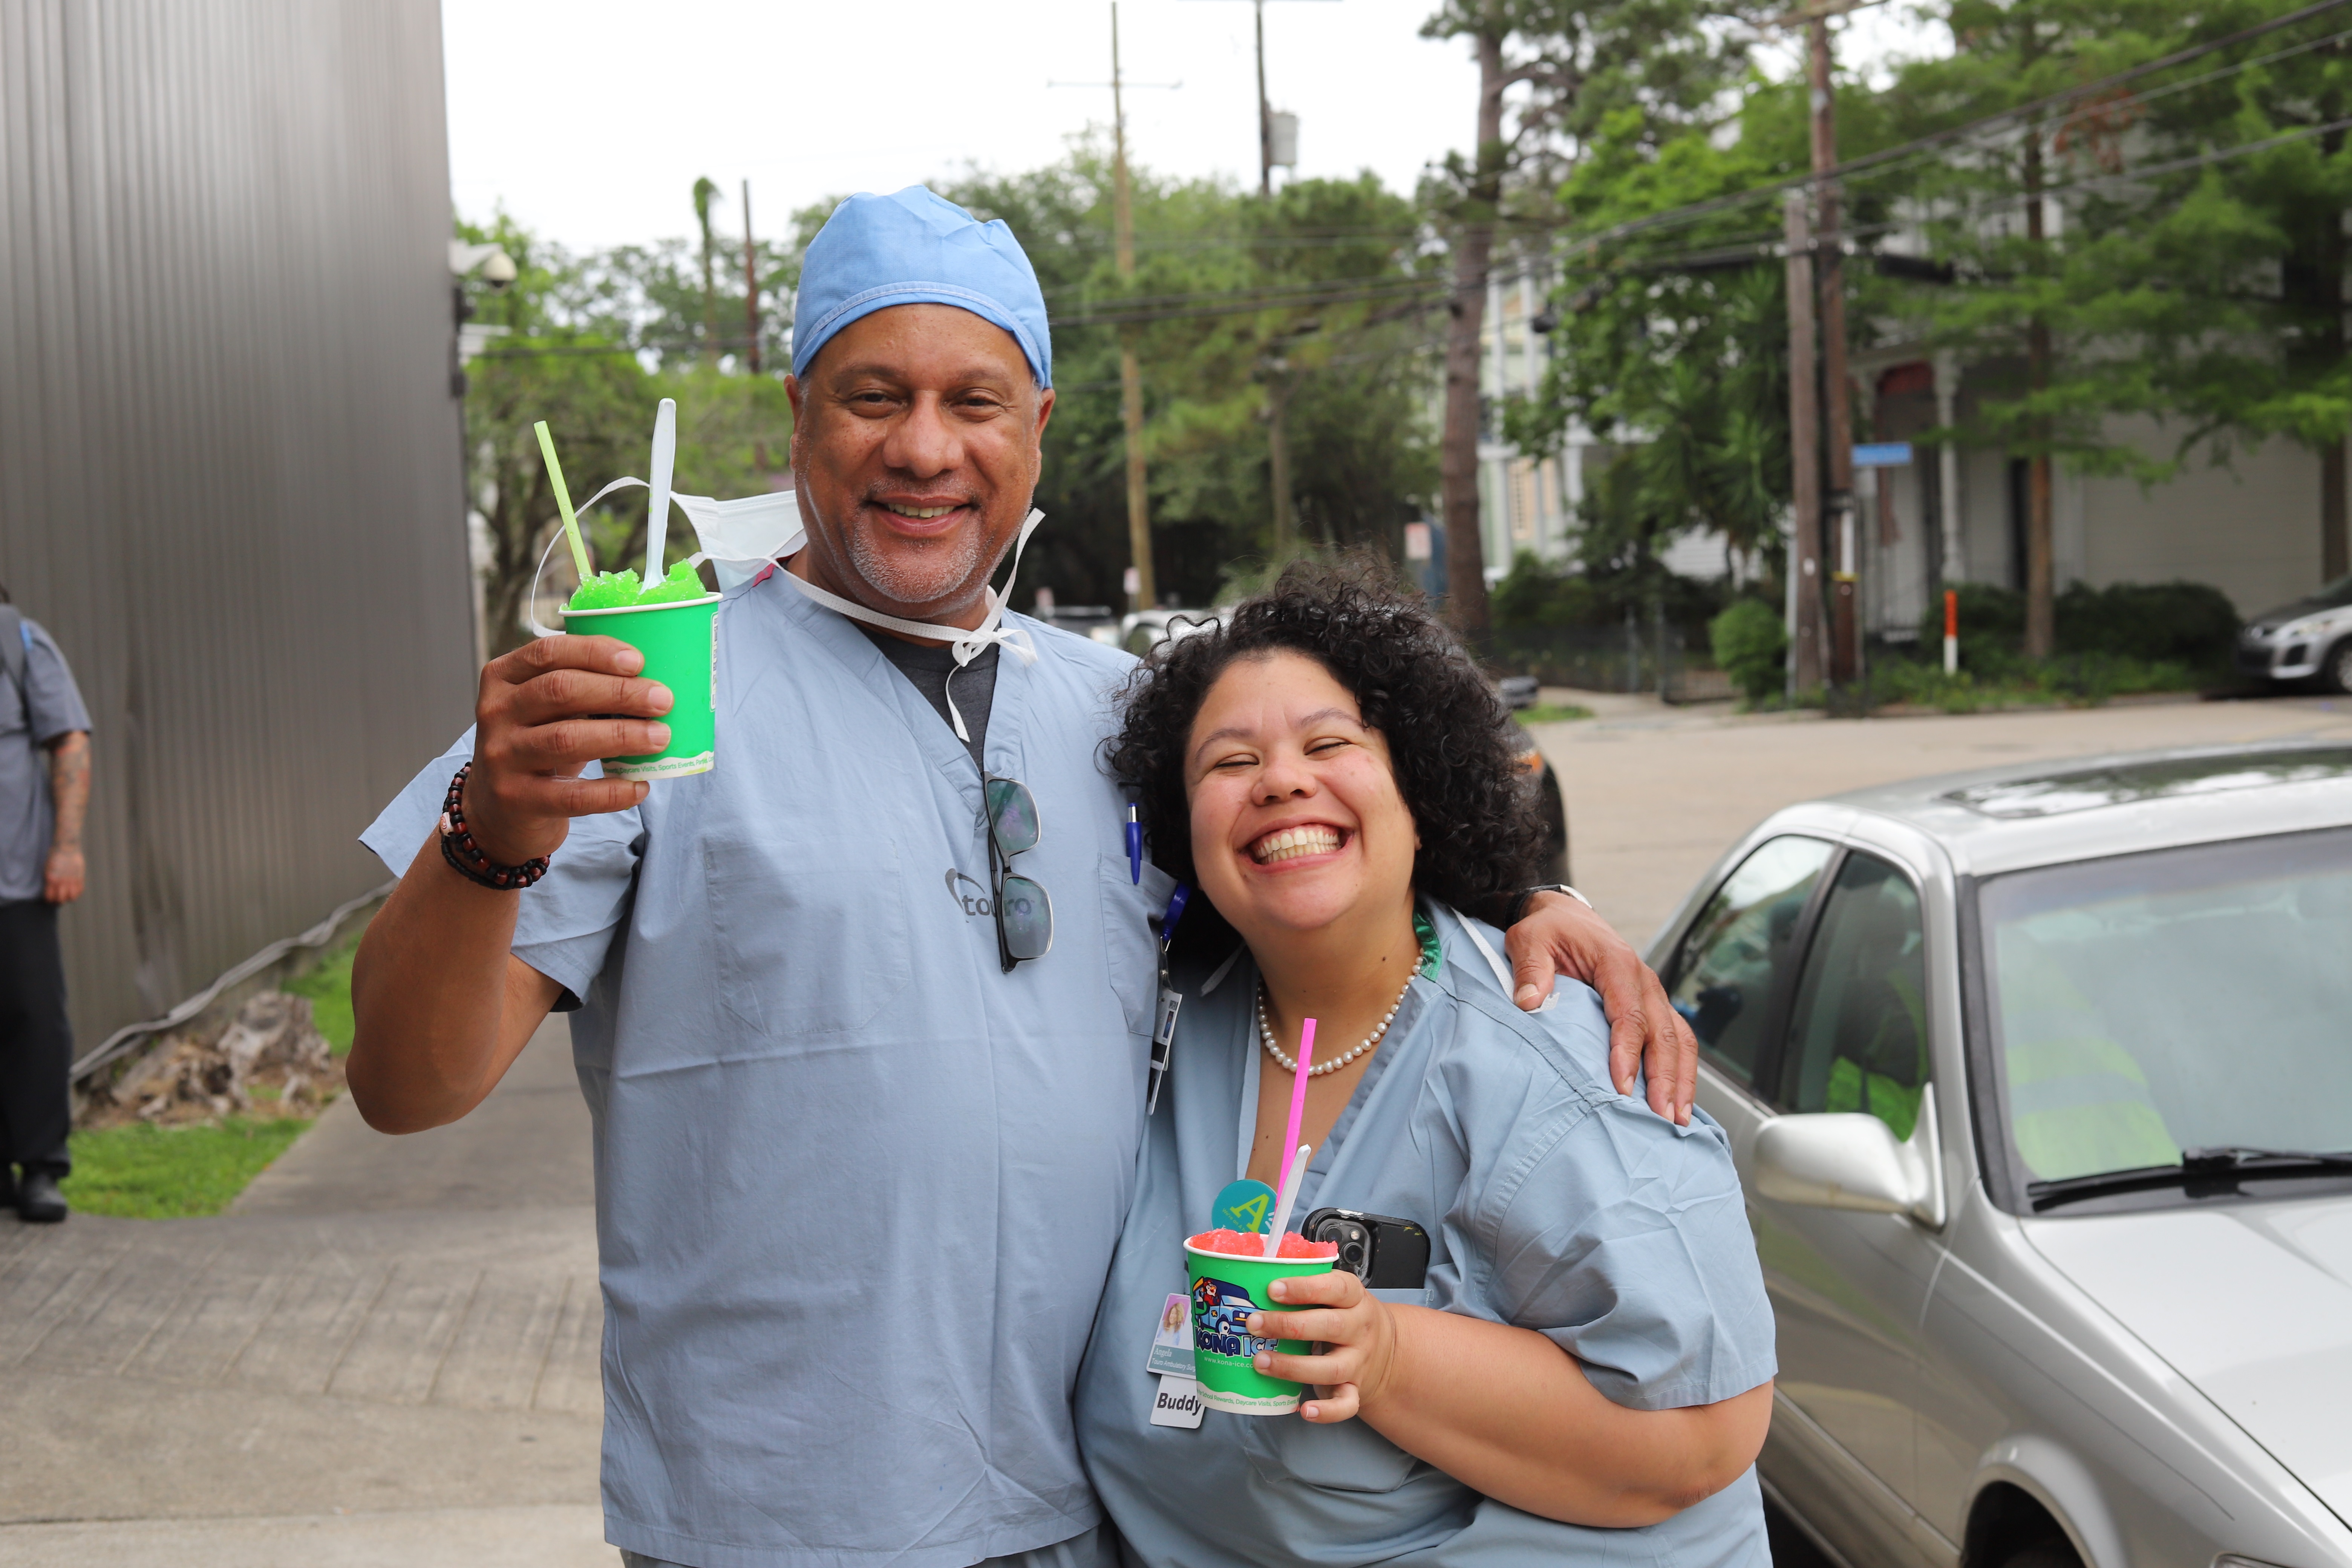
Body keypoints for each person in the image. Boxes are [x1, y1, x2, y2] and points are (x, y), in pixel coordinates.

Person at [348, 186, 1697, 1568]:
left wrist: (1531, 907)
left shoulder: (1135, 718)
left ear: (1039, 425)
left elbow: (1316, 896)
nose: (925, 447)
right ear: (801, 412)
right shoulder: (638, 702)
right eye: (875, 396)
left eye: (975, 402)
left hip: (1106, 1504)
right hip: (776, 1523)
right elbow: (405, 1085)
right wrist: (488, 832)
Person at [1078, 559, 1775, 1566]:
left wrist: (1390, 1355)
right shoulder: (1167, 1014)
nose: (1281, 780)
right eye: (1230, 763)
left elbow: (1708, 1433)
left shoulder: (1556, 1064)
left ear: (1421, 791)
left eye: (1330, 744)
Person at [0, 589, 92, 1227]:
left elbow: (70, 741)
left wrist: (66, 847)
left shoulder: (20, 641)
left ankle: (39, 1166)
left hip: (16, 876)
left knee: (33, 1017)